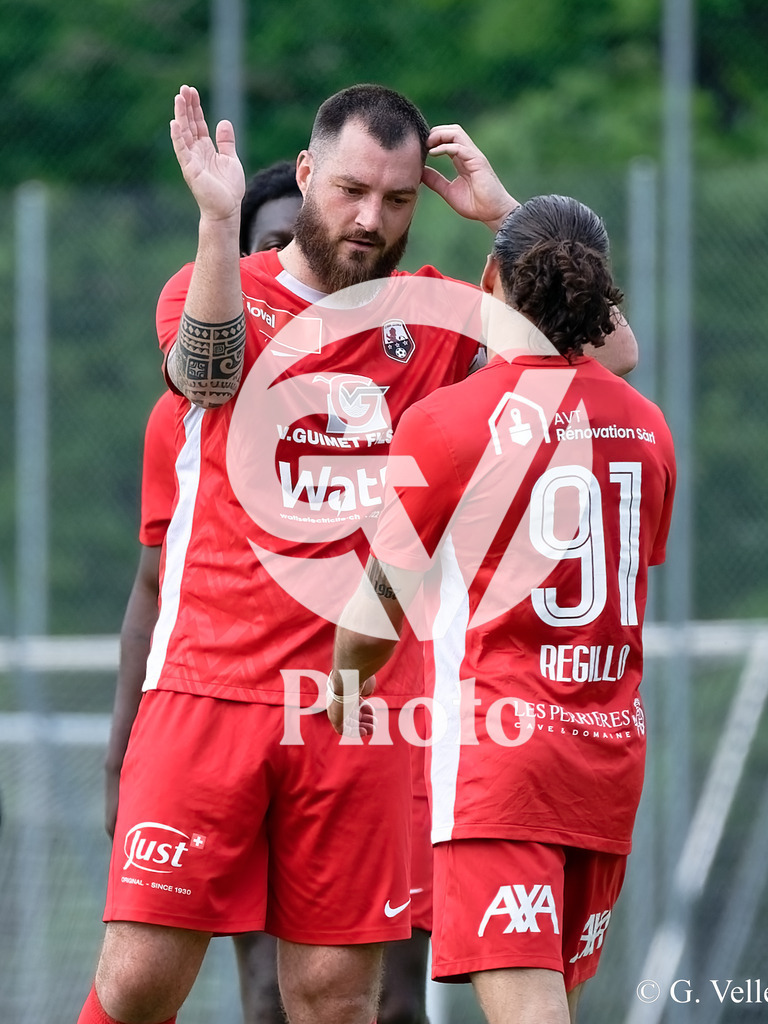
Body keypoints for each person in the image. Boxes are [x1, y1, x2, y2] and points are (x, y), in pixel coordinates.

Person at [78, 82, 637, 1024]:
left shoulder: (434, 315)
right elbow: (206, 379)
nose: (371, 219)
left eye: (398, 198)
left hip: (361, 709)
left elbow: (604, 359)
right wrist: (216, 220)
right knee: (138, 980)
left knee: (335, 1000)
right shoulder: (215, 285)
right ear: (306, 174)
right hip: (209, 691)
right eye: (350, 191)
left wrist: (508, 220)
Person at [327, 195, 676, 1024]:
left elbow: (378, 609)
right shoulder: (646, 428)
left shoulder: (447, 421)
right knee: (556, 1003)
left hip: (501, 763)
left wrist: (343, 685)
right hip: (606, 760)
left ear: (490, 280)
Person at [103, 158, 303, 1024]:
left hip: (352, 727)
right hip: (218, 721)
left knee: (373, 996)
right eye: (274, 246)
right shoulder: (185, 414)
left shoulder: (391, 380)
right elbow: (153, 585)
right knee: (211, 983)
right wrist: (120, 754)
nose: (292, 266)